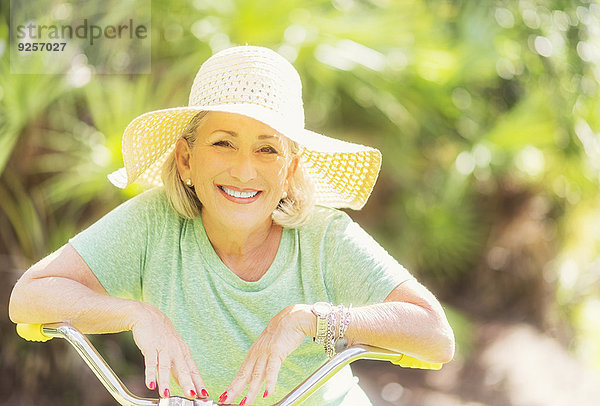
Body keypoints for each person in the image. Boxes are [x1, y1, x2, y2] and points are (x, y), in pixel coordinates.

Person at [9, 45, 454, 406]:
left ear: (290, 170)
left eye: (267, 150)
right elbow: (29, 297)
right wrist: (136, 314)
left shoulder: (325, 236)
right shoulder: (154, 221)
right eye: (223, 143)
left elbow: (435, 336)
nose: (244, 171)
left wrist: (308, 320)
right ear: (186, 158)